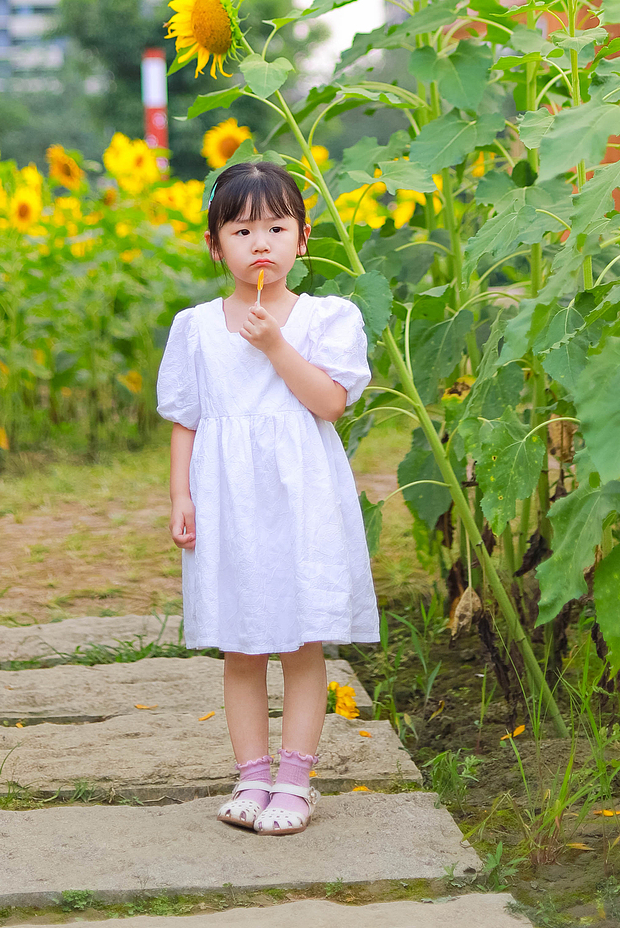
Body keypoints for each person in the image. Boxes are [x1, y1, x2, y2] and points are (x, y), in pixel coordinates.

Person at [156, 159, 379, 835]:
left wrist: (277, 344)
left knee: (301, 641)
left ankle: (296, 779)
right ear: (214, 244)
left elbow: (330, 403)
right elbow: (186, 419)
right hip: (228, 503)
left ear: (303, 239)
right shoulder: (196, 327)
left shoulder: (327, 318)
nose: (261, 242)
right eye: (242, 228)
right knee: (241, 644)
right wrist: (180, 496)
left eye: (277, 226)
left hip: (302, 500)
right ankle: (251, 775)